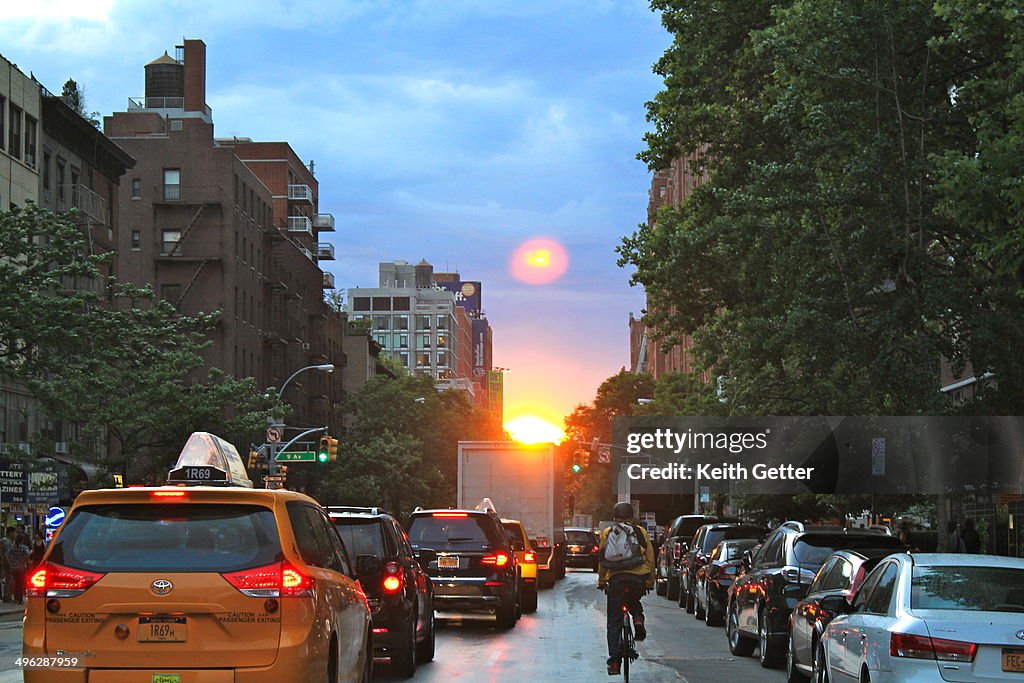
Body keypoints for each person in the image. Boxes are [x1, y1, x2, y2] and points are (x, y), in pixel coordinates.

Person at [597, 502, 655, 676]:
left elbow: (602, 560)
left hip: (615, 580)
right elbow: (650, 559)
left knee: (614, 620)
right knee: (633, 599)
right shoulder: (640, 532)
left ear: (615, 517)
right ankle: (637, 617)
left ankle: (614, 661)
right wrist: (649, 582)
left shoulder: (607, 533)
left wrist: (602, 580)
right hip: (637, 578)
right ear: (631, 517)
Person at [4, 532, 32, 604]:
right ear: (22, 540)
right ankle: (19, 599)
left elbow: (6, 554)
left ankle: (16, 598)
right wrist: (24, 559)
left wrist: (10, 562)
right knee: (21, 583)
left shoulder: (12, 547)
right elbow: (27, 555)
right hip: (21, 567)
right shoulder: (24, 547)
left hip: (13, 567)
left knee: (16, 583)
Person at [0, 527, 15, 603]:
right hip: (6, 564)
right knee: (8, 580)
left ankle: (7, 596)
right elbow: (6, 554)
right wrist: (10, 564)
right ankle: (7, 597)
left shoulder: (5, 541)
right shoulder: (7, 542)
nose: (15, 535)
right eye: (14, 533)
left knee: (8, 580)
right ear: (10, 533)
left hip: (5, 563)